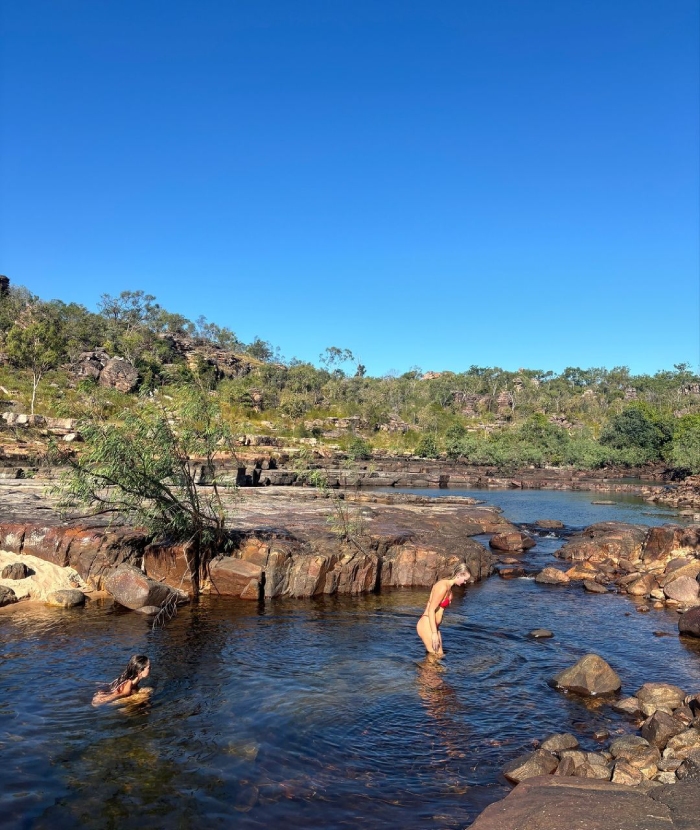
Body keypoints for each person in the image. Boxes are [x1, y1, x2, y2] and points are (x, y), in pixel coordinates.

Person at [416, 563, 471, 657]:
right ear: (459, 574)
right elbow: (431, 610)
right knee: (435, 658)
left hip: (434, 626)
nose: (465, 583)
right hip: (427, 623)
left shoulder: (449, 589)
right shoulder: (442, 586)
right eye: (465, 580)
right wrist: (434, 634)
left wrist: (436, 630)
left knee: (439, 656)